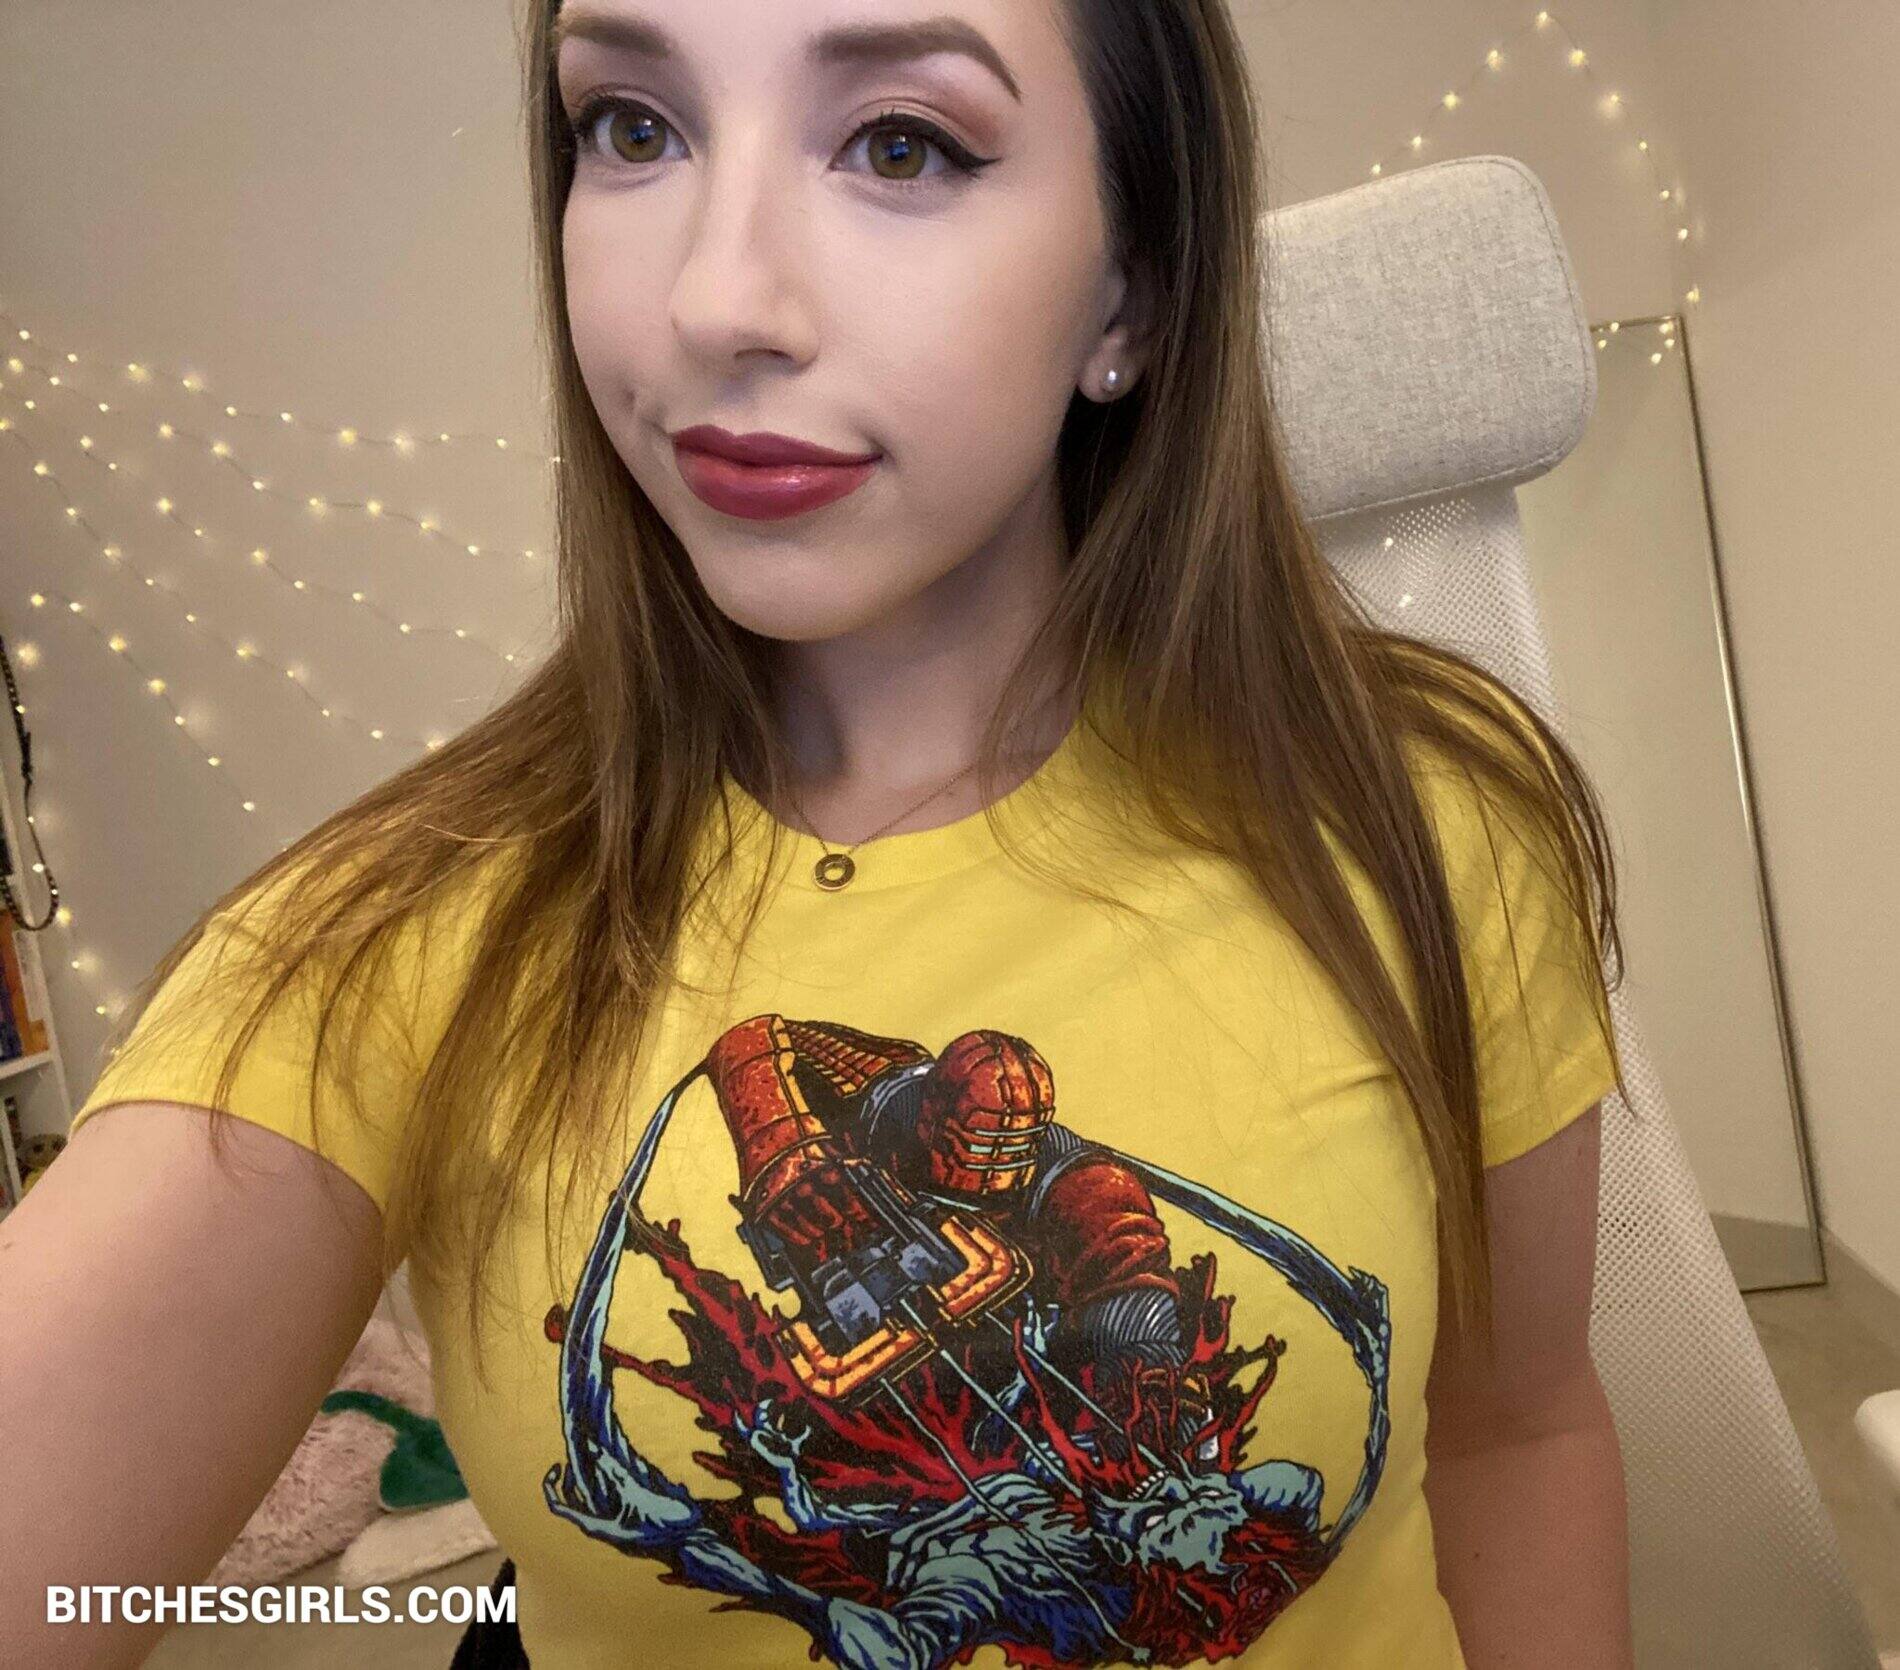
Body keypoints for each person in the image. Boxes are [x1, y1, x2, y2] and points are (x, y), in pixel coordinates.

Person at [0, 1, 1638, 1666]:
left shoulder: (1421, 819)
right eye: (634, 127)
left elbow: (1519, 1432)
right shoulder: (390, 947)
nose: (713, 300)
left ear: (1130, 292)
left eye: (900, 143)